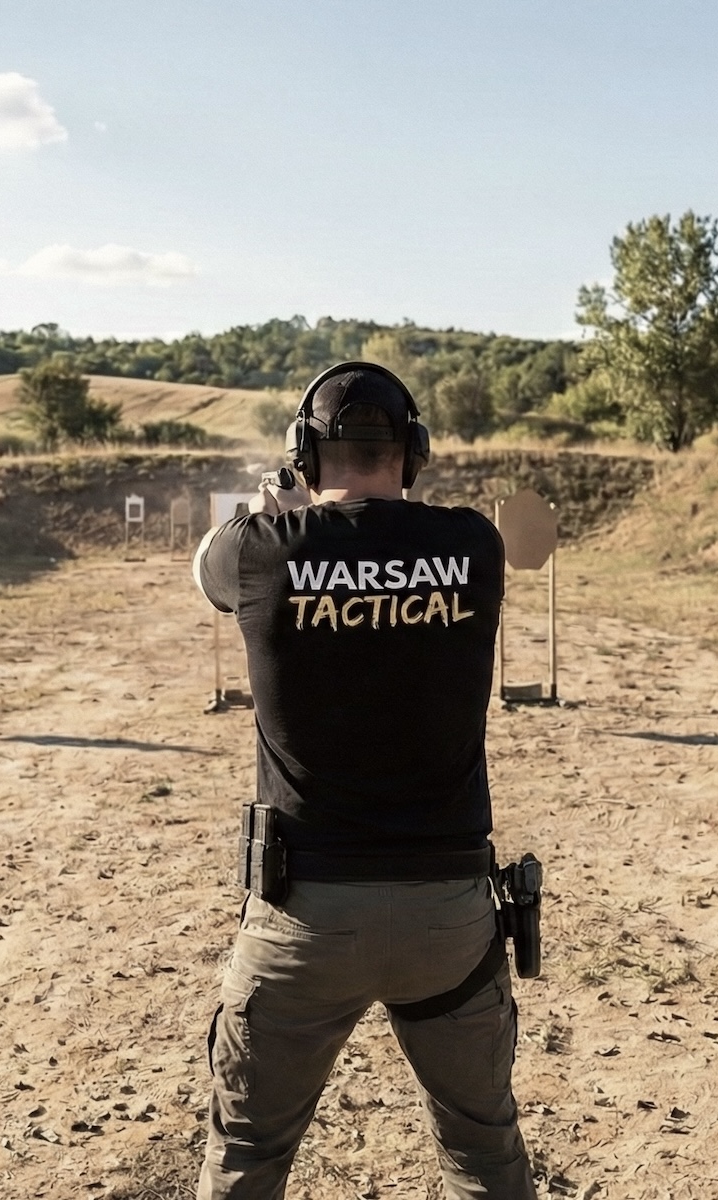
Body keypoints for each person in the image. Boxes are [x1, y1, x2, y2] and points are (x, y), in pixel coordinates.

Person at [191, 362, 535, 1199]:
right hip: (449, 913)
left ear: (305, 455)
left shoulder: (259, 552)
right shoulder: (472, 545)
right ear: (412, 452)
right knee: (483, 1155)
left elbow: (206, 569)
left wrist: (275, 507)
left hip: (303, 915)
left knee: (246, 1157)